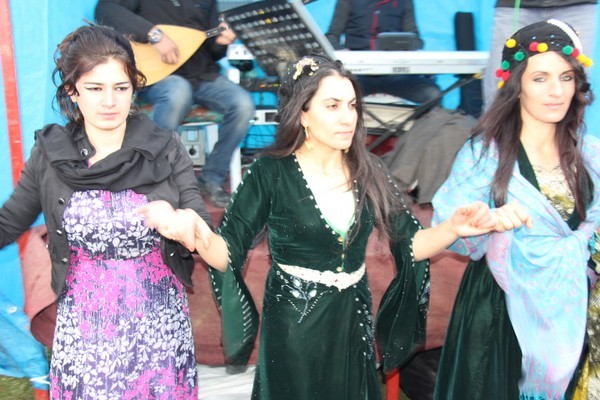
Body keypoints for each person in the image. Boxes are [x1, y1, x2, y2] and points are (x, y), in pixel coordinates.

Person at [140, 54, 525, 399]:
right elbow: (228, 252)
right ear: (303, 114)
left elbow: (408, 245)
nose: (348, 117)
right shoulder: (270, 173)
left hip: (352, 317)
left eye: (352, 105)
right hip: (293, 323)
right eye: (333, 106)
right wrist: (194, 232)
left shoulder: (369, 169)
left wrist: (453, 228)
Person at [0, 24, 213, 398]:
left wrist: (187, 228)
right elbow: (8, 222)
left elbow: (215, 247)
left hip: (158, 331)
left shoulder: (164, 148)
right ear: (72, 90)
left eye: (121, 87)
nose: (109, 101)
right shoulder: (52, 154)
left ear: (134, 87)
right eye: (95, 88)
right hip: (85, 332)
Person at [432, 19, 600, 399]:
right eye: (540, 78)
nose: (556, 91)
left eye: (566, 77)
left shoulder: (590, 155)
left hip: (575, 312)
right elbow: (454, 235)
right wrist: (484, 220)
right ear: (516, 84)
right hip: (500, 315)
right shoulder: (484, 155)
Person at [95, 0, 256, 208]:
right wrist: (154, 34)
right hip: (157, 77)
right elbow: (106, 9)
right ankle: (157, 180)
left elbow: (211, 47)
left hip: (201, 75)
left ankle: (211, 178)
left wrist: (221, 41)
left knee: (243, 105)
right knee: (179, 91)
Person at [483, 0, 597, 109]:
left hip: (576, 6)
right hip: (516, 6)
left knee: (577, 84)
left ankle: (570, 123)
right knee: (501, 86)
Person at [325, 0, 442, 105]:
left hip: (395, 75)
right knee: (327, 93)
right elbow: (331, 37)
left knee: (433, 94)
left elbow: (415, 39)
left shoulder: (404, 2)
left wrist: (405, 45)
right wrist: (343, 52)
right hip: (358, 75)